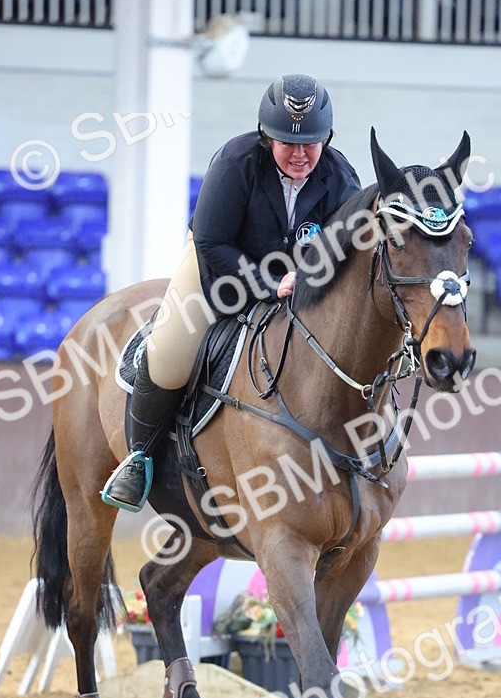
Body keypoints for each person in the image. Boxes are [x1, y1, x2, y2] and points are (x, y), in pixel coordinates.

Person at [101, 73, 361, 512]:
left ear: (327, 138)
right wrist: (266, 283)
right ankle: (138, 457)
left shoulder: (340, 179)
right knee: (168, 353)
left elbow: (347, 253)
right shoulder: (235, 162)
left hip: (297, 282)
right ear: (266, 137)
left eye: (310, 144)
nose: (300, 155)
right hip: (222, 268)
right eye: (287, 143)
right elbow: (211, 244)